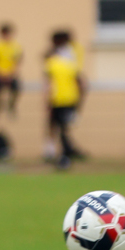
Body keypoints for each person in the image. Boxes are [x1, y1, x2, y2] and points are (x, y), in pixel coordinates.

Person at [43, 30, 87, 169]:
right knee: (59, 127)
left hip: (62, 99)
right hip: (66, 99)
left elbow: (49, 83)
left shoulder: (54, 62)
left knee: (60, 127)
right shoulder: (69, 62)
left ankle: (66, 153)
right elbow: (81, 83)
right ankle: (64, 152)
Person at [0, 23, 23, 117]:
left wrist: (12, 74)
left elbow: (17, 62)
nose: (6, 36)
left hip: (11, 75)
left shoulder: (15, 46)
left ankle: (11, 106)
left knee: (16, 88)